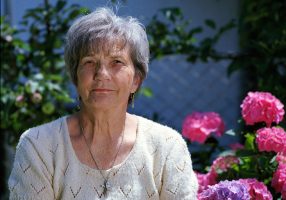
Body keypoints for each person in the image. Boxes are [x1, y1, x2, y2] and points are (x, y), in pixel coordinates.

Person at [8, 7, 198, 199]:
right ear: (76, 77)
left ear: (136, 81)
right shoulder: (38, 145)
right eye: (89, 62)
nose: (102, 74)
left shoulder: (166, 147)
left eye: (116, 62)